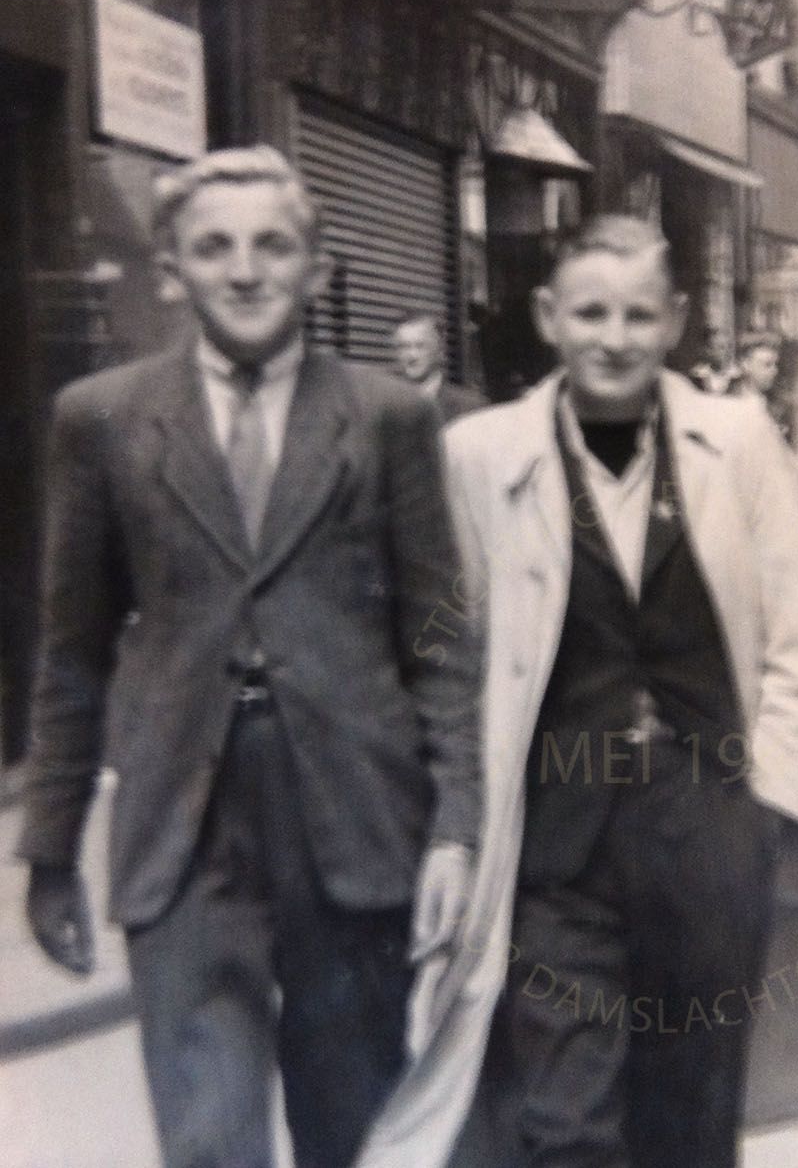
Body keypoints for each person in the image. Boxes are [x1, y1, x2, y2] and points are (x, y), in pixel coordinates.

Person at [18, 145, 481, 1168]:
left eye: (273, 246)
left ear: (316, 269)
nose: (244, 270)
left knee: (354, 1127)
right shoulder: (103, 419)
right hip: (184, 822)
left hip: (353, 819)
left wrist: (454, 825)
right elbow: (72, 651)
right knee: (207, 1137)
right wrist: (49, 845)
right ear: (170, 271)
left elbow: (441, 637)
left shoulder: (386, 418)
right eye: (213, 248)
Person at [364, 214, 798, 1168]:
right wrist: (457, 823)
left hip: (710, 832)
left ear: (675, 321)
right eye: (590, 313)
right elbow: (445, 651)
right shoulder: (482, 456)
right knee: (566, 1124)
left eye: (637, 315)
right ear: (549, 316)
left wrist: (774, 807)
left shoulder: (737, 440)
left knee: (691, 1122)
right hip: (556, 844)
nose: (614, 338)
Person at [391, 312, 486, 424]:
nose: (412, 356)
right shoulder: (386, 406)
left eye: (420, 346)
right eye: (404, 347)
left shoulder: (470, 408)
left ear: (440, 350)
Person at [689, 323, 742, 394]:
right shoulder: (697, 375)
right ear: (707, 350)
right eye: (714, 347)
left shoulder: (738, 376)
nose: (726, 352)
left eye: (726, 347)